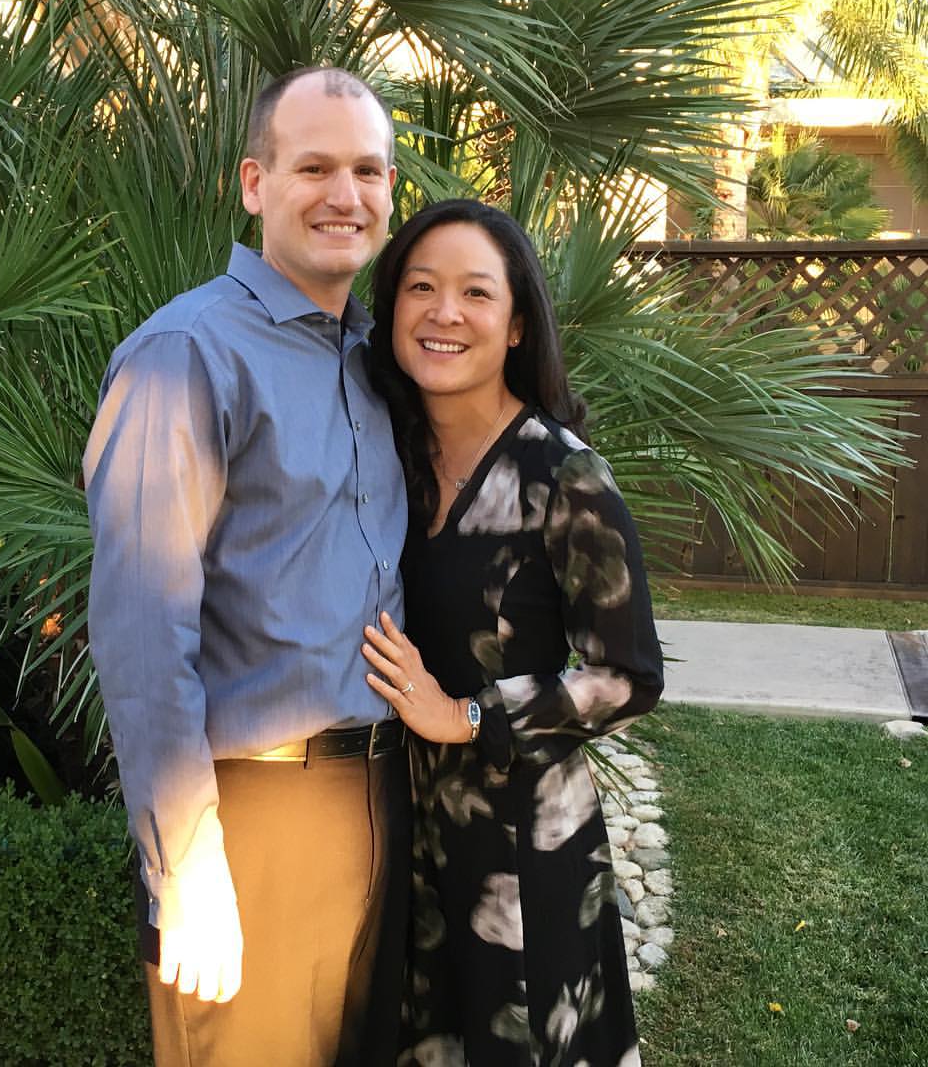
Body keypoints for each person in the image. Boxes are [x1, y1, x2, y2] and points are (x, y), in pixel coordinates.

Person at [83, 67, 411, 1067]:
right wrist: (187, 868)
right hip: (254, 816)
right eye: (313, 166)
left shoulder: (379, 356)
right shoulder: (185, 356)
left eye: (367, 170)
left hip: (387, 800)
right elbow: (144, 636)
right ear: (254, 181)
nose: (344, 195)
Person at [362, 199, 664, 1066]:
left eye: (474, 293)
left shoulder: (563, 474)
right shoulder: (385, 457)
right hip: (402, 825)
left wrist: (465, 715)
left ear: (518, 322)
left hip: (521, 841)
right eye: (420, 287)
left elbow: (629, 675)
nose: (443, 313)